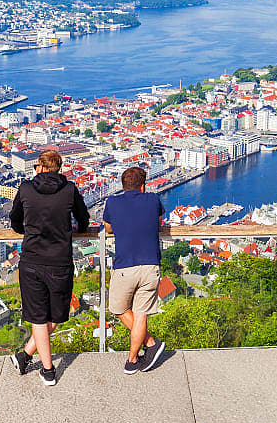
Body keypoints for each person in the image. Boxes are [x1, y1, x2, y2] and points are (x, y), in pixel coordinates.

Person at [9, 149, 90, 386]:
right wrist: (72, 231)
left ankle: (27, 355)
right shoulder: (69, 190)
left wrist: (29, 231)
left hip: (32, 260)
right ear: (59, 168)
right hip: (60, 261)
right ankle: (48, 369)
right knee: (56, 315)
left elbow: (15, 220)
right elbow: (83, 219)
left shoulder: (25, 189)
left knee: (38, 316)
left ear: (40, 167)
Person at [102, 166, 166, 375]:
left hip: (124, 266)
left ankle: (145, 348)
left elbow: (108, 227)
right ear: (143, 185)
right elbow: (158, 223)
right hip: (150, 265)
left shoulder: (112, 202)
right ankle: (135, 356)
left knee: (118, 309)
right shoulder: (153, 200)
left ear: (122, 185)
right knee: (141, 314)